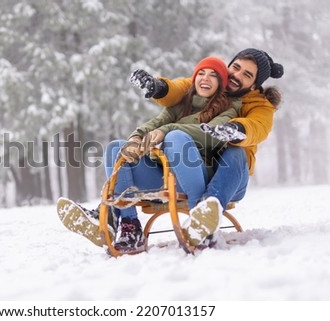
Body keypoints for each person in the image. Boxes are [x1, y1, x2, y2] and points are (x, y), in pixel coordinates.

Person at [58, 48, 284, 252]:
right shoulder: (204, 86)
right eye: (236, 67)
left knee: (232, 151)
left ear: (255, 85)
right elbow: (178, 90)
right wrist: (158, 90)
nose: (237, 75)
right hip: (176, 170)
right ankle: (123, 222)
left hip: (226, 174)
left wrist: (237, 129)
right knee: (118, 148)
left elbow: (258, 127)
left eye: (247, 74)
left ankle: (203, 215)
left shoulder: (248, 105)